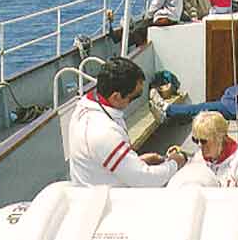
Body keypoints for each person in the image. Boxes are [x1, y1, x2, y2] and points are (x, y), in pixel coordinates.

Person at [68, 57, 186, 186]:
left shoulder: (83, 107)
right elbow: (145, 180)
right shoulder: (103, 132)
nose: (132, 102)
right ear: (116, 97)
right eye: (133, 97)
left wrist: (137, 161)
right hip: (106, 201)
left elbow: (100, 163)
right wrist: (175, 162)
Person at [154, 45, 238, 122]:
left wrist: (230, 93)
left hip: (235, 109)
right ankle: (168, 112)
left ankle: (167, 109)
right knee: (200, 108)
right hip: (236, 106)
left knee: (199, 108)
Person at [187, 111, 238, 187]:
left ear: (219, 138)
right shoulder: (198, 158)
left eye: (203, 141)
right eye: (195, 140)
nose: (199, 145)